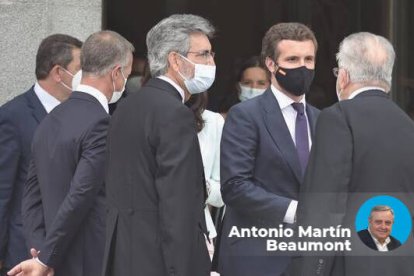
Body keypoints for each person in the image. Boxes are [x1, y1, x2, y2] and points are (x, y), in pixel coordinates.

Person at [8, 30, 134, 276]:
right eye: (127, 75)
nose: (125, 83)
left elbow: (31, 196)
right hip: (88, 259)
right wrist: (46, 258)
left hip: (52, 259)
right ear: (116, 73)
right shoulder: (101, 123)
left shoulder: (51, 118)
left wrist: (41, 252)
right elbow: (81, 194)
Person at [102, 14, 215, 276]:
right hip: (161, 261)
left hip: (126, 257)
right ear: (176, 60)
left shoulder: (126, 107)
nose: (212, 62)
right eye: (204, 54)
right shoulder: (174, 112)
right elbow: (179, 207)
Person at [296, 32, 414, 276]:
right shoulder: (408, 125)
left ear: (344, 77)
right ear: (388, 78)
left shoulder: (338, 117)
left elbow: (325, 203)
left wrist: (312, 269)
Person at [216, 22, 320, 276]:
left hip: (308, 258)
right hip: (257, 257)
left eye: (309, 59)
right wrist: (295, 211)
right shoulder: (246, 115)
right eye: (293, 59)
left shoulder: (322, 119)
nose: (303, 67)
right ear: (271, 64)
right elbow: (235, 187)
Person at [0, 34, 82, 275]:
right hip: (23, 251)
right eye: (79, 69)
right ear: (58, 72)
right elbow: (2, 191)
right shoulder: (12, 117)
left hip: (67, 250)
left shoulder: (78, 113)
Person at [186, 92, 225, 263]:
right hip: (146, 229)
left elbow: (222, 193)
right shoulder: (142, 114)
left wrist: (202, 186)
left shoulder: (213, 121)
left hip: (198, 230)